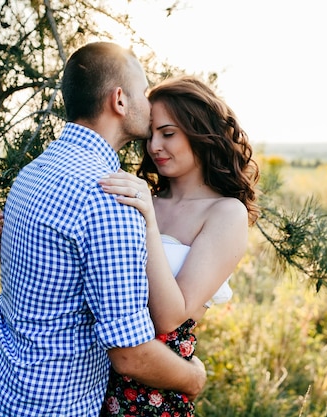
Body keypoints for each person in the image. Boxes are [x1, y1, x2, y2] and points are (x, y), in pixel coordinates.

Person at [0, 42, 206, 417]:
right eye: (144, 93)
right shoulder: (109, 198)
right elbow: (130, 355)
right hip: (51, 407)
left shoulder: (30, 175)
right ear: (119, 100)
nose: (149, 105)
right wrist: (194, 379)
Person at [96, 75, 260, 416]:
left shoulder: (225, 213)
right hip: (92, 379)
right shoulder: (143, 198)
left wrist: (150, 223)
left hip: (153, 391)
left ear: (201, 132)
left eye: (168, 133)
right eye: (150, 134)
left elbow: (170, 316)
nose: (155, 146)